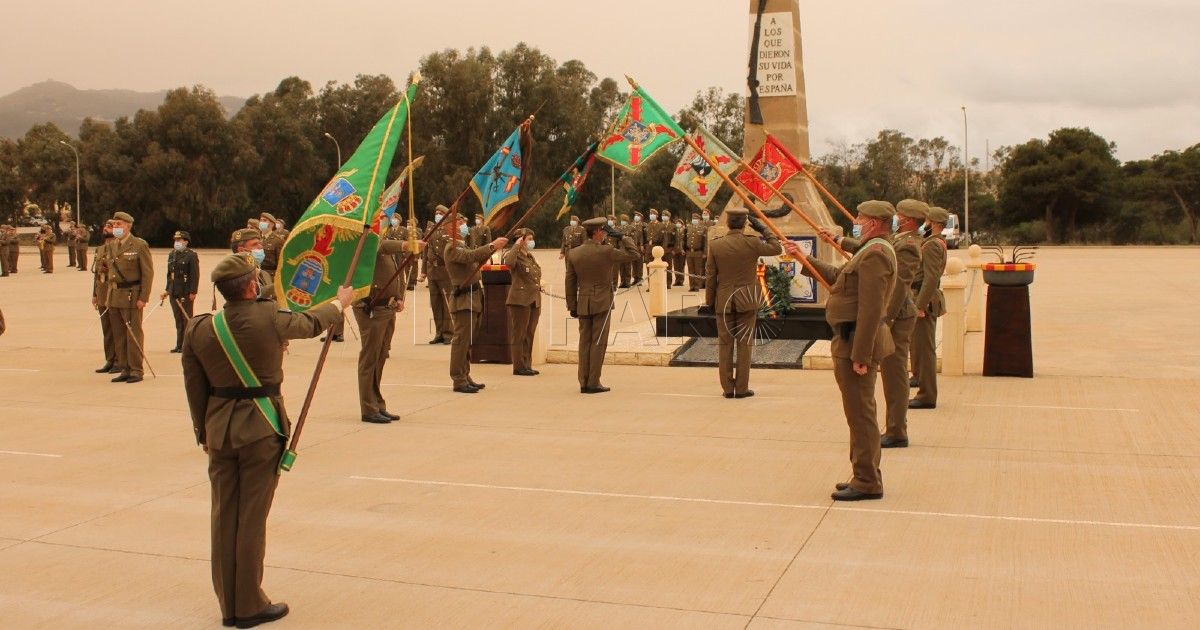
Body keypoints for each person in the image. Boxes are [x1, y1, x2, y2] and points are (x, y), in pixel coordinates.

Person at [182, 252, 352, 629]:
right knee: (251, 519)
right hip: (260, 429)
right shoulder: (269, 316)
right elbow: (310, 323)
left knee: (224, 517)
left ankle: (229, 604)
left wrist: (203, 432)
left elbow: (194, 386)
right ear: (250, 285)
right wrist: (339, 303)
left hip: (219, 429)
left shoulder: (199, 327)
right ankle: (248, 605)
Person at [787, 200, 897, 501]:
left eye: (861, 217)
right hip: (849, 340)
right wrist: (804, 258)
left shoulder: (876, 254)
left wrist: (861, 355)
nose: (856, 221)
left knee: (861, 415)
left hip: (855, 343)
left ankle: (867, 481)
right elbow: (839, 278)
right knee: (857, 414)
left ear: (875, 222)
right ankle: (863, 473)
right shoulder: (869, 250)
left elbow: (871, 309)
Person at [834, 199, 925, 447]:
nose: (898, 218)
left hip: (896, 316)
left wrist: (885, 320)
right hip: (888, 315)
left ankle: (897, 429)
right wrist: (840, 240)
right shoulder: (895, 241)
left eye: (901, 215)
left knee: (894, 375)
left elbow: (898, 288)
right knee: (888, 375)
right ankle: (894, 428)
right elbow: (866, 250)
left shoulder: (908, 245)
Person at [703, 209, 781, 398]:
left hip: (724, 301)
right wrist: (763, 229)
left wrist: (709, 302)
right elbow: (776, 248)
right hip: (747, 301)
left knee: (725, 345)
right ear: (745, 224)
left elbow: (711, 276)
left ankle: (727, 389)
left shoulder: (716, 245)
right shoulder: (752, 242)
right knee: (745, 345)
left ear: (728, 223)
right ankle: (741, 388)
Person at [354, 231, 423, 423]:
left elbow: (394, 273)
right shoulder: (365, 241)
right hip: (371, 307)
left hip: (387, 307)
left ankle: (377, 403)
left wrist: (398, 296)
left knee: (380, 356)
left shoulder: (379, 241)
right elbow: (381, 246)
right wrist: (405, 245)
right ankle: (368, 408)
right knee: (370, 357)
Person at [565, 217, 640, 393]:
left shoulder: (574, 253)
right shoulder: (607, 251)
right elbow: (634, 254)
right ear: (598, 232)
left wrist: (572, 305)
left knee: (584, 342)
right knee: (598, 342)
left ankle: (583, 381)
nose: (606, 234)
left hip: (583, 302)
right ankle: (593, 382)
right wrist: (622, 237)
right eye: (604, 231)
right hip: (602, 302)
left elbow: (570, 281)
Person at [443, 216, 507, 393]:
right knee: (461, 341)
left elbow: (474, 258)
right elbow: (469, 256)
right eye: (459, 223)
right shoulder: (451, 247)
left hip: (474, 297)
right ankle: (458, 379)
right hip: (464, 300)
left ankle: (465, 374)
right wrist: (492, 246)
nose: (464, 226)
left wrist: (490, 250)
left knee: (468, 342)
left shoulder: (462, 245)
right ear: (449, 228)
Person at [910, 206, 950, 410]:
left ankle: (927, 395)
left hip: (925, 300)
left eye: (926, 220)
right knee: (918, 346)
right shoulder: (933, 241)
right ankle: (919, 379)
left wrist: (920, 305)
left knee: (925, 350)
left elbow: (931, 278)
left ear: (932, 222)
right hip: (922, 297)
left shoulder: (933, 244)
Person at [106, 211, 154, 383]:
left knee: (133, 335)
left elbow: (147, 273)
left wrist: (143, 297)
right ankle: (124, 368)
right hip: (115, 296)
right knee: (119, 336)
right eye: (114, 224)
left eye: (119, 224)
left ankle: (136, 370)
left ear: (128, 225)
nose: (116, 227)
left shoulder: (139, 245)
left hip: (132, 296)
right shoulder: (112, 245)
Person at [503, 228, 542, 376]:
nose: (532, 242)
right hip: (520, 300)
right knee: (519, 334)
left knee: (529, 334)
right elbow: (508, 263)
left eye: (532, 238)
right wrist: (516, 245)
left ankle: (527, 364)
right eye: (529, 239)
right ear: (521, 240)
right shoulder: (513, 255)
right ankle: (518, 366)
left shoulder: (529, 256)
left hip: (533, 299)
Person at [419, 205, 454, 344]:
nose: (437, 215)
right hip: (432, 271)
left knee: (446, 303)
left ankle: (448, 333)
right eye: (436, 212)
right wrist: (423, 271)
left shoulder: (450, 229)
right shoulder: (430, 229)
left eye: (440, 213)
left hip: (445, 270)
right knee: (435, 304)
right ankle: (439, 333)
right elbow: (425, 251)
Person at [164, 230, 201, 353]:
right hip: (174, 291)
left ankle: (187, 345)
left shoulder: (191, 255)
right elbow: (170, 274)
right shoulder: (172, 254)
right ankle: (179, 344)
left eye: (179, 240)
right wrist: (167, 290)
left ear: (186, 242)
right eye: (175, 240)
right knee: (178, 319)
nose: (176, 242)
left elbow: (195, 275)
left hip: (185, 291)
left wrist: (193, 291)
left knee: (186, 319)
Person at [92, 221, 119, 373]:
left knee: (117, 329)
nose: (105, 229)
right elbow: (96, 274)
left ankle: (119, 360)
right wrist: (94, 294)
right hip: (102, 293)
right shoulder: (100, 249)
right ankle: (110, 359)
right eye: (105, 227)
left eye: (109, 227)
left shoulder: (119, 247)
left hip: (114, 292)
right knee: (107, 329)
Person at [230, 228, 275, 302]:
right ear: (241, 250)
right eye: (255, 244)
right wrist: (280, 284)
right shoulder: (234, 274)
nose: (260, 247)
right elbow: (254, 295)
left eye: (259, 243)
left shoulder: (264, 273)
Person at [684, 212, 709, 291]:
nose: (694, 220)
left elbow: (705, 242)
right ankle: (692, 286)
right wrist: (684, 249)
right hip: (689, 252)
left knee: (698, 270)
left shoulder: (703, 228)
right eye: (693, 218)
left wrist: (705, 252)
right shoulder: (688, 227)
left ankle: (697, 286)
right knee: (690, 270)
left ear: (699, 219)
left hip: (698, 252)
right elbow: (684, 240)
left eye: (695, 218)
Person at [257, 213, 286, 279]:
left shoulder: (278, 240)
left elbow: (280, 263)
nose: (261, 222)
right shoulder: (256, 238)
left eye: (264, 220)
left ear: (272, 224)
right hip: (257, 275)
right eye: (261, 220)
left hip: (270, 276)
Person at [625, 212, 646, 286]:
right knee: (634, 263)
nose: (636, 217)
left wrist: (643, 245)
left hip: (640, 246)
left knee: (639, 263)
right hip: (633, 246)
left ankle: (639, 279)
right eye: (635, 215)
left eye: (638, 216)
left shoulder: (643, 225)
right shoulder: (631, 225)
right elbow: (628, 235)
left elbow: (644, 236)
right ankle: (635, 278)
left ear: (641, 217)